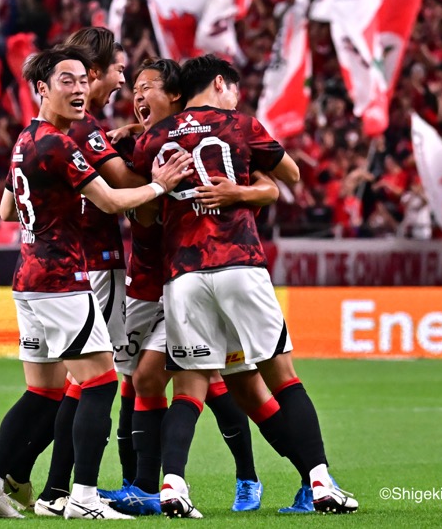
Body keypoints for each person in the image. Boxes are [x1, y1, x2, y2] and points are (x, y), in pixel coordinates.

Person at [0, 44, 192, 520]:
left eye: (82, 81)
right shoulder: (59, 144)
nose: (79, 90)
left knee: (43, 391)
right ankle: (82, 498)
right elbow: (111, 201)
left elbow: (7, 209)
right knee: (102, 380)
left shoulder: (26, 139)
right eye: (67, 81)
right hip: (62, 278)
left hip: (27, 277)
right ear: (42, 89)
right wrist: (161, 184)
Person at [132, 54, 359, 517]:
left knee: (190, 387)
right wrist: (246, 187)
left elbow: (146, 210)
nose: (236, 98)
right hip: (239, 264)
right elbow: (291, 176)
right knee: (283, 377)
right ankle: (320, 482)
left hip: (183, 275)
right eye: (233, 89)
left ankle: (173, 485)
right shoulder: (240, 125)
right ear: (220, 84)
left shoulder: (154, 138)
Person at [99, 57, 280, 516]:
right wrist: (136, 158)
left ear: (175, 95)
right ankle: (142, 485)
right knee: (152, 380)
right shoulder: (146, 145)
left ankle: (241, 476)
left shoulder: (203, 139)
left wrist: (241, 192)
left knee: (189, 378)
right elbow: (139, 214)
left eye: (148, 88)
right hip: (146, 280)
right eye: (133, 90)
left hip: (191, 276)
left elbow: (271, 182)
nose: (137, 97)